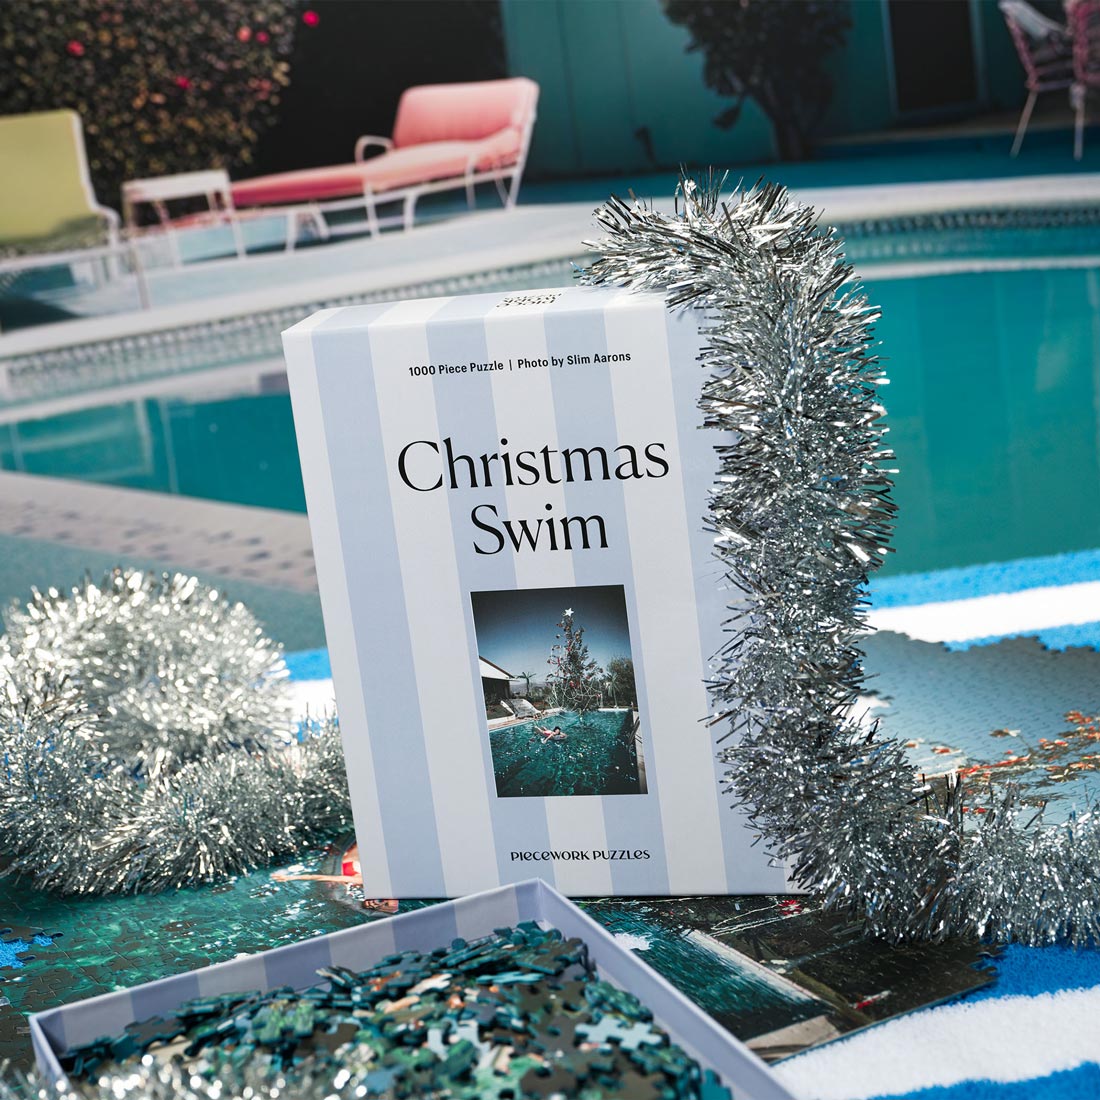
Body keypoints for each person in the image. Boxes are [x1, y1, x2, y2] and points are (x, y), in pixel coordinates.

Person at [272, 843, 398, 913]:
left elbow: (392, 906)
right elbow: (321, 877)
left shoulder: (364, 879)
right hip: (343, 857)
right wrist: (291, 878)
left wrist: (291, 878)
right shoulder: (363, 878)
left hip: (341, 857)